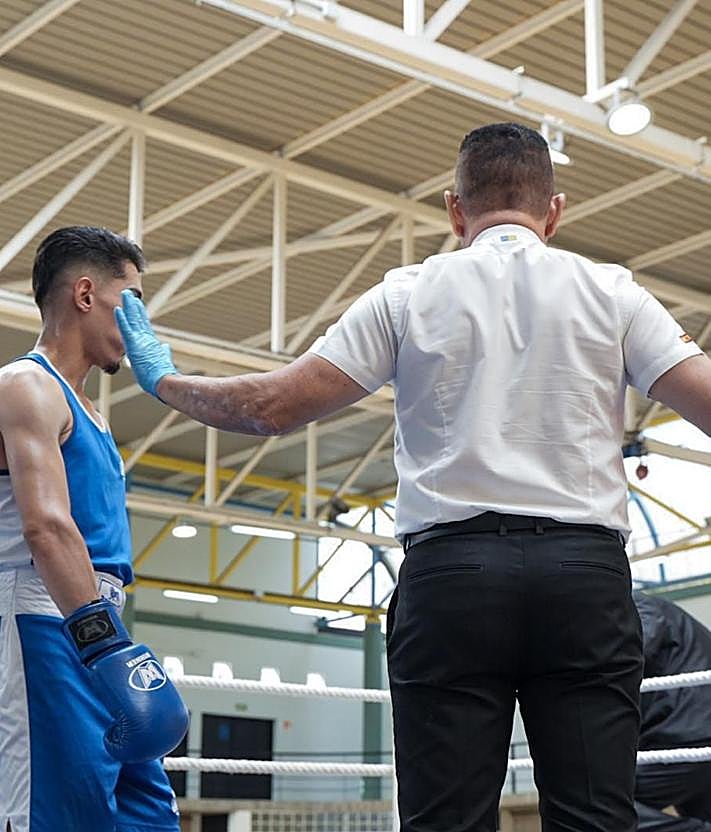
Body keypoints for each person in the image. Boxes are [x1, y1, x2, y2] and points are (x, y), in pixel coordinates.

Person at [116, 122, 711, 832]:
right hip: (581, 579)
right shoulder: (611, 292)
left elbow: (270, 408)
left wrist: (166, 381)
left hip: (453, 579)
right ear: (554, 211)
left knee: (444, 821)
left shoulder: (407, 293)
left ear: (454, 210)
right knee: (594, 818)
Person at [0, 226, 189, 832]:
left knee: (146, 813)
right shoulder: (26, 386)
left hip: (94, 618)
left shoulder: (92, 415)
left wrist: (109, 639)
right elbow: (48, 527)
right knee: (61, 811)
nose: (139, 322)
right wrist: (104, 642)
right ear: (85, 294)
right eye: (130, 300)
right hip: (45, 615)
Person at [634, 591, 711, 831]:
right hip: (687, 733)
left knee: (597, 799)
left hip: (685, 735)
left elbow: (629, 653)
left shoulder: (634, 606)